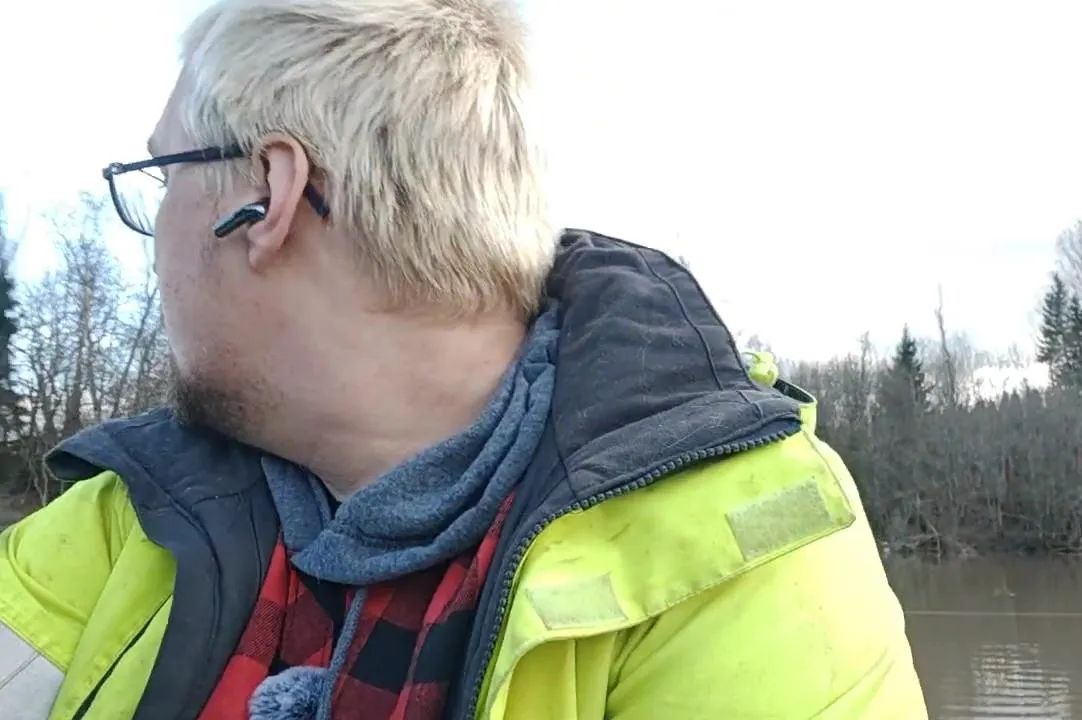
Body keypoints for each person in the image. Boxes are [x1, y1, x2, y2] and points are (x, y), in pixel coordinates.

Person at [0, 1, 928, 718]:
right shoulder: (129, 515)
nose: (153, 233)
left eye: (162, 176)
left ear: (269, 197)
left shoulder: (737, 542)